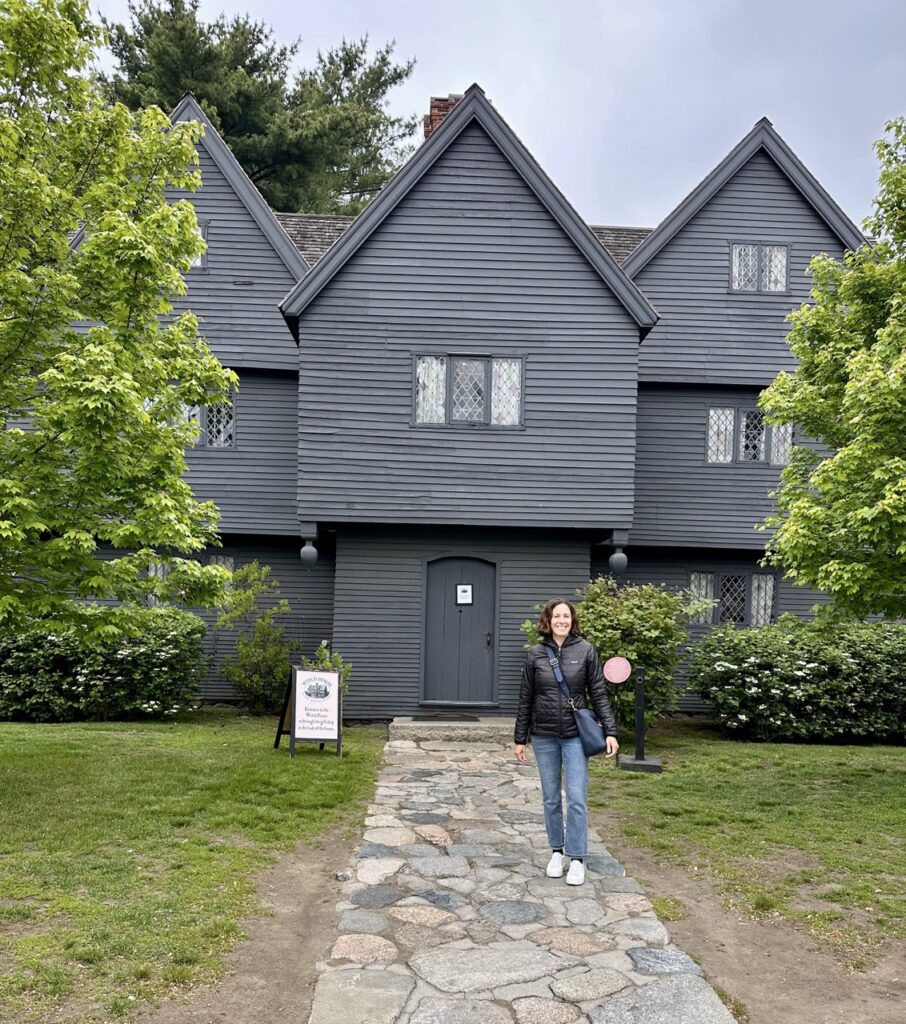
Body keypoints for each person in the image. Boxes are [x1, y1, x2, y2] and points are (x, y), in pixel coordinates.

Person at [513, 598, 619, 885]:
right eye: (557, 616)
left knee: (576, 798)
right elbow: (525, 699)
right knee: (550, 799)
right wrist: (520, 738)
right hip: (544, 736)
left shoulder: (585, 651)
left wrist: (610, 730)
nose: (562, 620)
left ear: (573, 621)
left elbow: (598, 693)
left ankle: (577, 858)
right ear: (548, 620)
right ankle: (556, 852)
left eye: (566, 616)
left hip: (575, 737)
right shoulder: (535, 654)